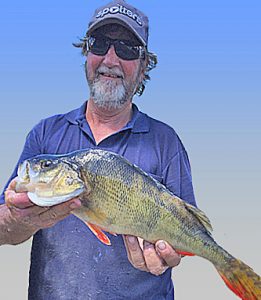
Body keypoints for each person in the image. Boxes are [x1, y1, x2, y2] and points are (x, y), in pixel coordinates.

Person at [0, 0, 196, 299]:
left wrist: (168, 256)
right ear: (87, 54)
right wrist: (17, 220)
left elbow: (186, 231)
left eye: (128, 48)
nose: (111, 59)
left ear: (144, 67)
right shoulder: (45, 134)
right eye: (100, 44)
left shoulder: (165, 141)